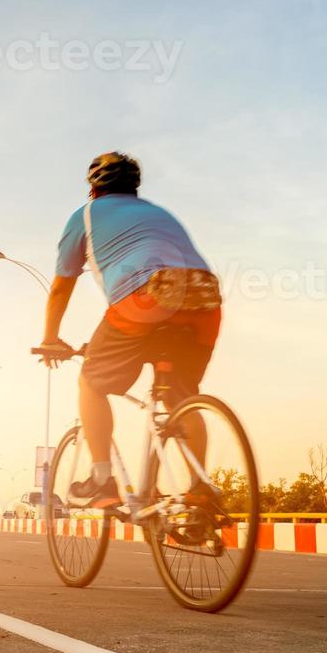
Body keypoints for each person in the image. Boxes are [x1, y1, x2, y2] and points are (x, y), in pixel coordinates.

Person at [38, 152, 223, 507]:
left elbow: (62, 286)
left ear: (93, 188)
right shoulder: (159, 212)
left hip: (146, 297)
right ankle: (202, 491)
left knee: (91, 383)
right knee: (181, 396)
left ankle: (102, 480)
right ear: (134, 188)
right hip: (204, 296)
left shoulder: (85, 216)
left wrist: (50, 338)